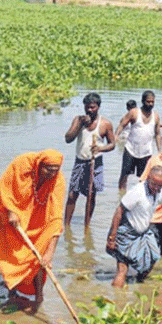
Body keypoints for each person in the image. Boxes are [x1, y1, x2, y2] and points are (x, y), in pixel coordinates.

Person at [0, 150, 65, 313]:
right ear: (40, 165)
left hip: (40, 220)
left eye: (56, 170)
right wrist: (11, 210)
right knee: (12, 256)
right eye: (48, 169)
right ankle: (12, 292)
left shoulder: (58, 181)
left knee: (39, 259)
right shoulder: (21, 164)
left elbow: (57, 216)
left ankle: (39, 297)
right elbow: (5, 188)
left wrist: (50, 253)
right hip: (14, 218)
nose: (52, 174)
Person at [106, 165, 162, 288]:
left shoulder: (160, 191)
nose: (156, 188)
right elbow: (119, 211)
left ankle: (139, 283)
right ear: (148, 178)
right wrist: (112, 238)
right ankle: (116, 300)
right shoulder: (137, 192)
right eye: (153, 184)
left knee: (154, 257)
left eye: (159, 185)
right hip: (126, 231)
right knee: (122, 270)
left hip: (143, 232)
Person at [63, 93, 116, 228]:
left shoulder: (105, 124)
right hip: (80, 162)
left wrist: (100, 149)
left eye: (92, 107)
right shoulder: (78, 120)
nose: (89, 110)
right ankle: (66, 226)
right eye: (87, 107)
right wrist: (80, 124)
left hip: (95, 163)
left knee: (91, 196)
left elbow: (112, 144)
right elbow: (68, 139)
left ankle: (87, 226)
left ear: (98, 107)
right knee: (72, 195)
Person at [115, 90, 162, 191]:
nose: (150, 104)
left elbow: (158, 134)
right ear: (142, 101)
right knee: (124, 176)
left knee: (144, 178)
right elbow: (122, 125)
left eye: (152, 102)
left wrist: (159, 151)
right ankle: (121, 197)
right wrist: (116, 136)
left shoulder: (156, 116)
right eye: (148, 101)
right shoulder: (134, 112)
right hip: (131, 149)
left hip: (146, 152)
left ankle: (142, 198)